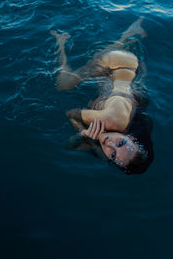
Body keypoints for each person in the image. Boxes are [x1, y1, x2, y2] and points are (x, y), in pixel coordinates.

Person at [51, 17, 154, 174]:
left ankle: (130, 34)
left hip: (133, 74)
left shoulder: (105, 145)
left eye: (113, 154)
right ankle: (61, 41)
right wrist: (82, 131)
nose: (109, 143)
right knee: (63, 85)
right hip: (121, 63)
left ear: (110, 159)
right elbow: (70, 113)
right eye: (120, 143)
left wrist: (84, 135)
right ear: (131, 138)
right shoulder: (112, 121)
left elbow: (68, 146)